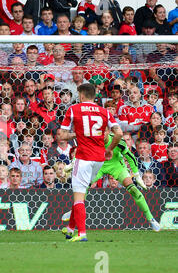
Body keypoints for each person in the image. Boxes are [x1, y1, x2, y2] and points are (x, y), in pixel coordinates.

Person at [58, 83, 123, 242]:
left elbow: (62, 136)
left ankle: (82, 234)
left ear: (81, 95)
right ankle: (70, 229)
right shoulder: (104, 112)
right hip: (99, 159)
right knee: (80, 193)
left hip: (84, 157)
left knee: (78, 196)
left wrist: (77, 135)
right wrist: (110, 150)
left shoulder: (73, 109)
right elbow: (119, 133)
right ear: (94, 95)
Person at [63, 129, 160, 232]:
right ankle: (74, 210)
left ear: (108, 131)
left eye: (103, 131)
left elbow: (130, 156)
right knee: (83, 187)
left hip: (116, 165)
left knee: (134, 190)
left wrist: (137, 176)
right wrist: (72, 163)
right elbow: (81, 151)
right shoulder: (93, 141)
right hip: (99, 165)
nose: (101, 134)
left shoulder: (118, 141)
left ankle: (151, 219)